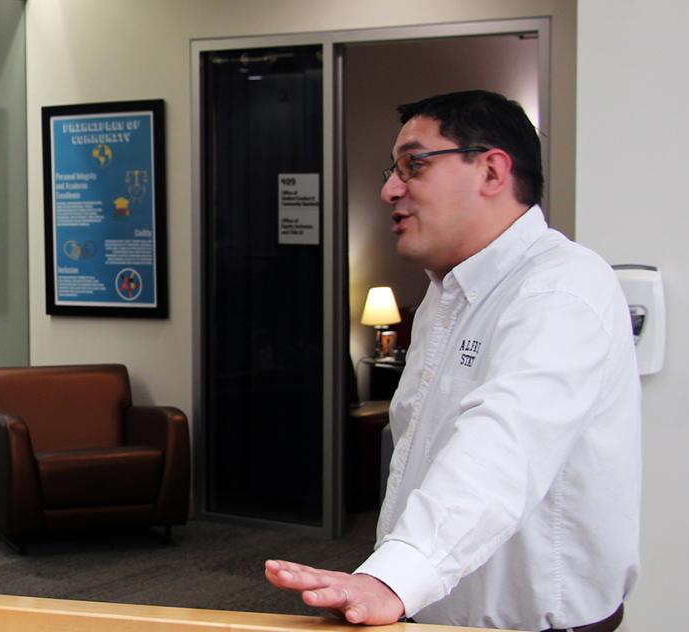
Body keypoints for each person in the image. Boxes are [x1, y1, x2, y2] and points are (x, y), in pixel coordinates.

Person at [265, 90, 640, 631]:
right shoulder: (448, 295)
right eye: (393, 170)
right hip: (432, 611)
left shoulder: (561, 288)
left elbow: (503, 448)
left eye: (413, 165)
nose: (389, 190)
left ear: (491, 171)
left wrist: (393, 579)